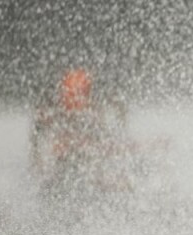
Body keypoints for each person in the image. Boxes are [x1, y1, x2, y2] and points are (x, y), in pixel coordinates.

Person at [29, 68, 131, 201]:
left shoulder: (90, 111)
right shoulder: (61, 110)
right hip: (70, 158)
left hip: (83, 155)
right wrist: (36, 158)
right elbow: (39, 129)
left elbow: (117, 108)